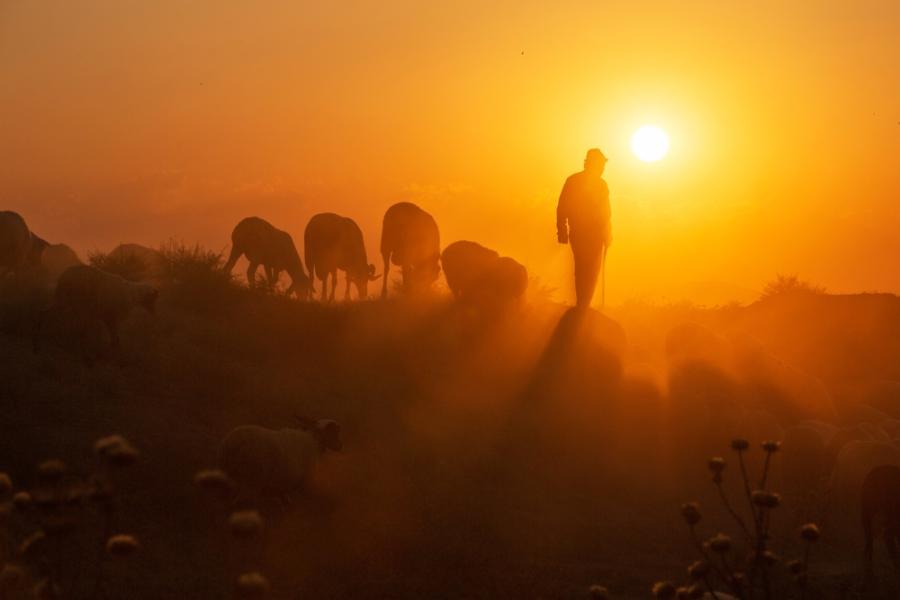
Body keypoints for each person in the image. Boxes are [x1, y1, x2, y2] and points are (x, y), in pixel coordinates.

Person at [556, 148, 612, 308]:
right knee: (584, 268)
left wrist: (608, 233)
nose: (602, 169)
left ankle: (584, 304)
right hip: (582, 233)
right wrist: (562, 231)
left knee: (590, 269)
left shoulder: (600, 184)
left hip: (594, 234)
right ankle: (582, 303)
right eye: (601, 165)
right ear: (593, 164)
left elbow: (606, 212)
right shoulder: (575, 181)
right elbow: (563, 206)